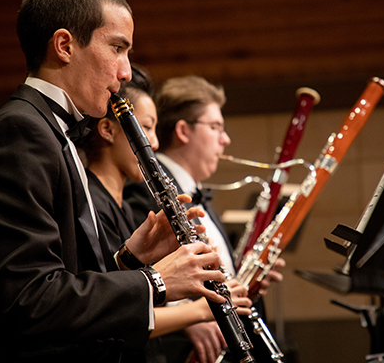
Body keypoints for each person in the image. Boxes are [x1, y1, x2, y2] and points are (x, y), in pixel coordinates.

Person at [0, 0, 226, 363]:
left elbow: (64, 281)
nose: (126, 72)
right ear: (64, 46)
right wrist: (157, 281)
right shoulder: (18, 133)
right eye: (117, 48)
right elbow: (30, 300)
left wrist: (130, 258)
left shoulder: (53, 132)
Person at [78, 65, 253, 363]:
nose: (154, 144)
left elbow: (115, 286)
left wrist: (133, 259)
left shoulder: (117, 204)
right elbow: (100, 307)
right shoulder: (94, 203)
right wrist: (196, 312)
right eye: (145, 128)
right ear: (107, 130)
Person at [124, 75, 285, 363]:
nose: (226, 139)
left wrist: (249, 281)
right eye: (215, 127)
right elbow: (141, 279)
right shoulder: (146, 191)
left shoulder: (198, 196)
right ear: (184, 131)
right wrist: (191, 320)